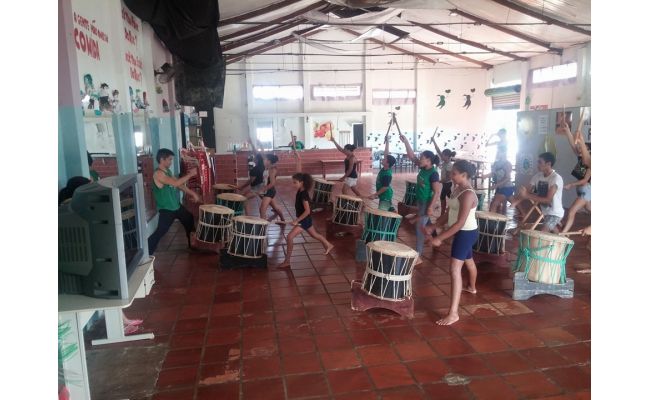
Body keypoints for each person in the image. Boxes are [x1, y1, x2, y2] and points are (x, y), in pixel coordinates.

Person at [59, 176, 144, 333]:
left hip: (90, 261)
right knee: (108, 283)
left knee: (110, 284)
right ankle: (121, 323)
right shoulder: (71, 212)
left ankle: (123, 321)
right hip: (79, 267)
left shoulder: (76, 209)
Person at [427, 160, 479, 326]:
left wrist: (440, 238)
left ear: (464, 175)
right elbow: (449, 214)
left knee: (454, 269)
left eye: (454, 173)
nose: (451, 175)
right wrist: (434, 226)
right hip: (463, 232)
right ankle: (472, 287)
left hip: (466, 233)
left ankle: (453, 313)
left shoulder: (468, 194)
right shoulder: (457, 189)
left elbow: (460, 223)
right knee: (468, 260)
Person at [279, 150, 333, 268]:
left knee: (289, 237)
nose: (293, 184)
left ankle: (287, 261)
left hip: (304, 220)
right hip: (305, 219)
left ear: (301, 183)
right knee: (314, 235)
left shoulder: (303, 194)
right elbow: (299, 173)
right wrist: (298, 159)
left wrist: (297, 221)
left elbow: (308, 211)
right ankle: (328, 244)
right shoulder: (301, 188)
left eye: (295, 183)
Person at [147, 148, 201, 255]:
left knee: (189, 219)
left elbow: (178, 184)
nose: (171, 162)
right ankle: (146, 254)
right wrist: (190, 175)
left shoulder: (167, 171)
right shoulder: (158, 174)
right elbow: (175, 184)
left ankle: (193, 244)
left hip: (176, 206)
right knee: (160, 232)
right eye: (170, 160)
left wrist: (192, 193)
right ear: (162, 159)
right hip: (166, 209)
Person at [399, 133, 442, 263]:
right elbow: (412, 156)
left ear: (428, 160)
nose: (420, 159)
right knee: (426, 224)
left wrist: (430, 207)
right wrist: (406, 141)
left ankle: (418, 256)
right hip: (421, 201)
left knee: (419, 227)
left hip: (427, 203)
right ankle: (436, 239)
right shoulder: (423, 167)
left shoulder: (433, 174)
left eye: (422, 158)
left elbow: (437, 192)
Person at [511, 152, 564, 233]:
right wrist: (515, 202)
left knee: (542, 232)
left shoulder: (556, 178)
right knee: (552, 230)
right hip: (545, 212)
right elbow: (526, 191)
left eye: (540, 162)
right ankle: (561, 241)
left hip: (555, 213)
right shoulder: (537, 176)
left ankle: (560, 241)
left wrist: (527, 195)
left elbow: (548, 200)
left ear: (548, 164)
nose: (537, 164)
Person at [557, 114, 591, 234]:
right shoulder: (582, 157)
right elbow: (573, 145)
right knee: (589, 208)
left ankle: (564, 233)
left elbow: (584, 181)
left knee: (571, 211)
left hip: (587, 190)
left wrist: (571, 184)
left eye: (584, 148)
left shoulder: (590, 162)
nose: (580, 149)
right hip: (583, 190)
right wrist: (567, 131)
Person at [367, 133, 397, 211]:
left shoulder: (387, 174)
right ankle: (393, 212)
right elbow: (386, 153)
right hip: (384, 195)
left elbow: (385, 187)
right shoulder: (385, 168)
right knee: (388, 207)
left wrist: (375, 194)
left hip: (385, 196)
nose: (382, 159)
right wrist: (387, 141)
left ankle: (391, 219)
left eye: (384, 159)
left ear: (387, 163)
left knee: (381, 212)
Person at [483, 149, 515, 214]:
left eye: (499, 152)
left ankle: (490, 222)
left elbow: (507, 178)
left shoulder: (507, 164)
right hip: (500, 187)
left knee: (494, 204)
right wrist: (486, 176)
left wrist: (496, 185)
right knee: (514, 202)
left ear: (504, 153)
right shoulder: (496, 163)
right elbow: (493, 173)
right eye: (497, 151)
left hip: (507, 187)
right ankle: (526, 216)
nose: (497, 153)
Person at [259, 153, 285, 221]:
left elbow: (273, 183)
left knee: (262, 209)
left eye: (265, 159)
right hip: (267, 191)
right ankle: (283, 219)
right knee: (275, 207)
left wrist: (263, 189)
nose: (263, 160)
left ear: (269, 161)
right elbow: (262, 155)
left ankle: (262, 227)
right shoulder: (267, 167)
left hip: (269, 191)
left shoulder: (272, 169)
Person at [432, 136, 456, 212]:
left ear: (448, 156)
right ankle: (444, 212)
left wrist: (439, 181)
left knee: (446, 197)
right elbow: (438, 150)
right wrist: (433, 141)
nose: (441, 156)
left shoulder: (449, 165)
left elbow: (449, 178)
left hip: (448, 184)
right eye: (441, 155)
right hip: (445, 184)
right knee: (447, 197)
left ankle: (447, 211)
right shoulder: (445, 162)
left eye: (443, 155)